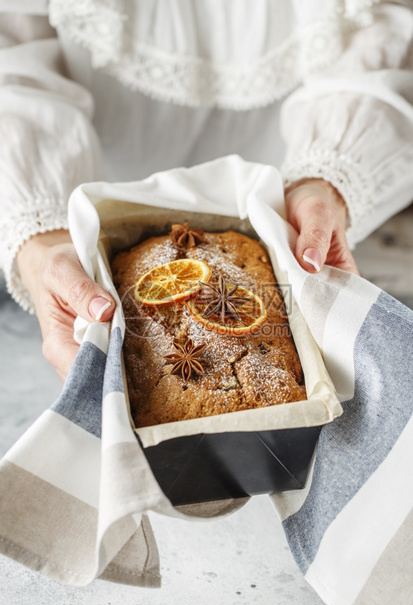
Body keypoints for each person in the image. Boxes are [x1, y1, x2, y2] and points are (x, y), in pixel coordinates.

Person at [1, 0, 413, 383]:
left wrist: (323, 180)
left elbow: (377, 30)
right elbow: (12, 54)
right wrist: (44, 241)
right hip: (85, 185)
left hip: (282, 187)